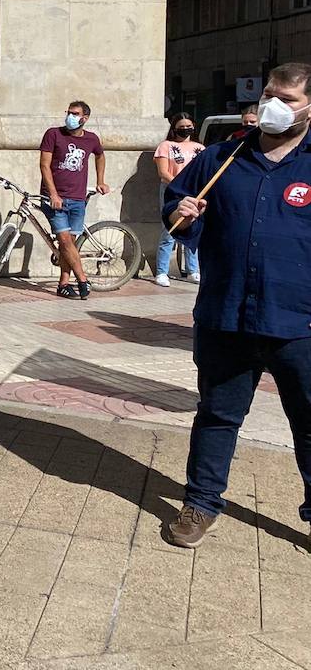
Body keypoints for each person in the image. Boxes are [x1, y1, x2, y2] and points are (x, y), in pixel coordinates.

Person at [160, 62, 311, 549]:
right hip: (226, 316)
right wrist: (179, 213)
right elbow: (176, 210)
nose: (273, 105)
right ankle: (201, 503)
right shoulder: (222, 158)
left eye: (286, 99)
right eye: (270, 94)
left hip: (298, 323)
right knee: (218, 416)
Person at [38, 100, 109, 299]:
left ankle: (63, 284)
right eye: (68, 112)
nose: (70, 116)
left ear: (84, 118)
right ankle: (82, 280)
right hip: (55, 198)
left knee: (69, 245)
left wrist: (101, 180)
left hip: (78, 198)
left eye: (75, 113)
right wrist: (52, 194)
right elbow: (44, 166)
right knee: (65, 240)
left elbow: (100, 156)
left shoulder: (92, 139)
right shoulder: (53, 134)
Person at [153, 113, 203, 287]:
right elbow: (163, 172)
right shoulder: (166, 146)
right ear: (174, 128)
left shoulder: (200, 148)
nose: (185, 130)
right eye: (181, 127)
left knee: (194, 228)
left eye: (188, 126)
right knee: (169, 231)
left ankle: (193, 270)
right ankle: (161, 271)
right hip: (172, 191)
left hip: (195, 193)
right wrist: (181, 185)